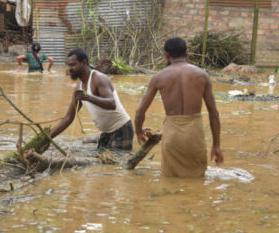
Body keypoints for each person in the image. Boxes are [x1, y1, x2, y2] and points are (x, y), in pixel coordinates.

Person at [134, 37, 223, 177]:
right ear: (187, 54)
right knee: (198, 181)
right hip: (195, 134)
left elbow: (140, 111)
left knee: (169, 181)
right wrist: (216, 145)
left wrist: (138, 131)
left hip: (172, 135)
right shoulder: (202, 75)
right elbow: (214, 114)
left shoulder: (159, 77)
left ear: (166, 55)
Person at [50, 48, 134, 150]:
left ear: (84, 62)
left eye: (73, 65)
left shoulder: (99, 78)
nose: (70, 69)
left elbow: (112, 104)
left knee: (117, 163)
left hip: (122, 128)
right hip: (107, 132)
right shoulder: (79, 87)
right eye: (69, 65)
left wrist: (88, 97)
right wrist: (47, 138)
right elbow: (68, 118)